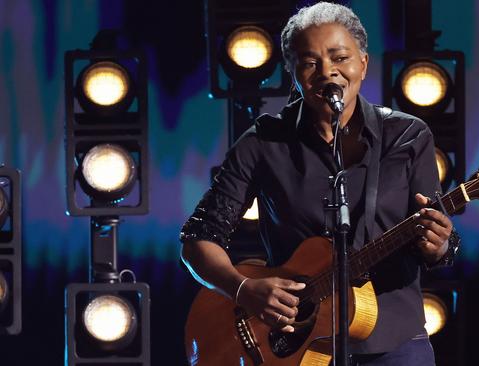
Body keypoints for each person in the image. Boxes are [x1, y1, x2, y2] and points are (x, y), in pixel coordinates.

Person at [180, 2, 460, 365]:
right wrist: (243, 289)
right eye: (310, 62)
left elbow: (440, 243)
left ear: (363, 62)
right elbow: (199, 238)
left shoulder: (407, 136)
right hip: (291, 344)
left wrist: (438, 244)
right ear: (292, 72)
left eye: (340, 57)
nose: (328, 72)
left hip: (395, 341)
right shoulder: (264, 142)